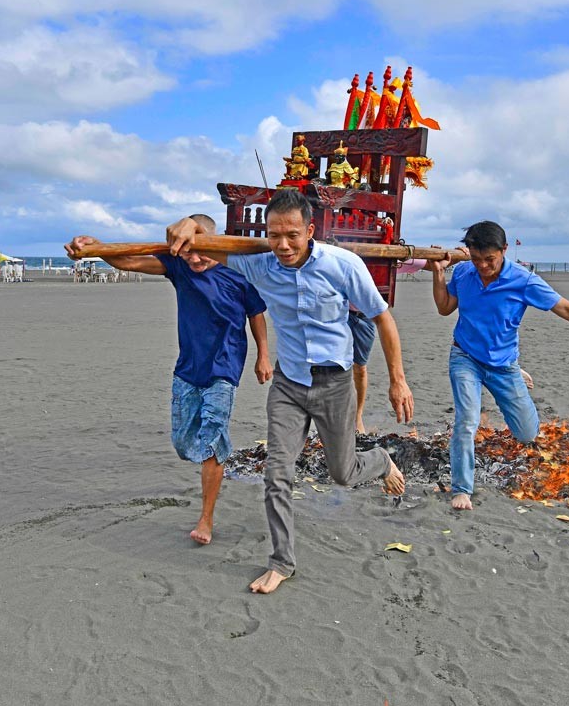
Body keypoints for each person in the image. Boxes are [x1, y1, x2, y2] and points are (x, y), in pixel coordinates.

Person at [165, 189, 413, 594]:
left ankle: (381, 461)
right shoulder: (260, 265)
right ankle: (282, 562)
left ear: (309, 231)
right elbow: (205, 247)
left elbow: (382, 318)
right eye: (274, 235)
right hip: (289, 385)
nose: (283, 245)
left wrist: (397, 380)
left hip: (335, 385)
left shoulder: (342, 265)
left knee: (343, 473)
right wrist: (191, 224)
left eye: (292, 235)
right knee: (277, 474)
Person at [64, 214, 273, 545]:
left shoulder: (237, 271)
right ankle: (213, 460)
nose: (195, 259)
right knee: (183, 443)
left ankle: (206, 518)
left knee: (212, 441)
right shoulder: (178, 267)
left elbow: (256, 313)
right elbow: (130, 261)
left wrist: (263, 355)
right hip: (188, 368)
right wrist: (97, 247)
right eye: (189, 252)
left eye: (202, 251)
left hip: (224, 367)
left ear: (216, 242)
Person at [425, 220, 569, 511]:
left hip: (503, 365)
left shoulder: (523, 280)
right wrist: (439, 273)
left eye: (490, 259)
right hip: (465, 357)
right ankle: (462, 488)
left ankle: (518, 372)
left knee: (526, 433)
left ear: (504, 250)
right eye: (476, 259)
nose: (483, 266)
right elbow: (444, 308)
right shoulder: (464, 271)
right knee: (467, 421)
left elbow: (568, 309)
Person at [348, 310, 376, 433]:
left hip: (365, 316)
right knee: (333, 366)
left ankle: (357, 416)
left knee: (360, 369)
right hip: (340, 315)